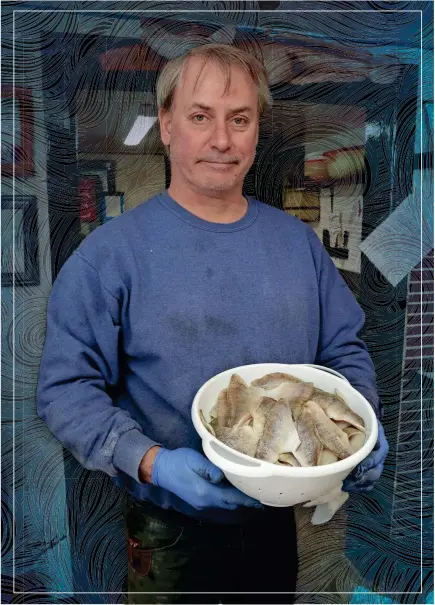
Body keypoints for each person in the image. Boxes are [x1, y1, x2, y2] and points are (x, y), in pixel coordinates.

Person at [36, 44, 389, 604]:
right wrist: (150, 461)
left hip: (277, 521)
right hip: (166, 533)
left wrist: (359, 427)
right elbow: (65, 390)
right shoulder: (110, 256)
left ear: (256, 131)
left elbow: (343, 352)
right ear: (169, 125)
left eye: (239, 119)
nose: (221, 140)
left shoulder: (298, 245)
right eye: (200, 116)